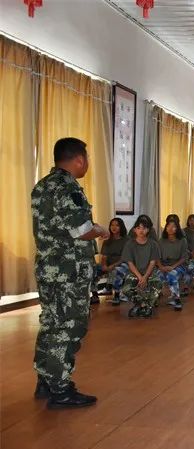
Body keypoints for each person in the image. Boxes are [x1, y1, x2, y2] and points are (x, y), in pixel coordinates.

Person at [32, 137, 109, 409]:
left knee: (51, 323)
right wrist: (100, 230)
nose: (87, 164)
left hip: (48, 268)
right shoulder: (67, 187)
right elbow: (81, 230)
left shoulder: (42, 186)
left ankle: (46, 380)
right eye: (86, 159)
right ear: (79, 159)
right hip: (68, 272)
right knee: (68, 326)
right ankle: (61, 390)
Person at [121, 217, 162, 319]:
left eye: (144, 228)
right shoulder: (130, 244)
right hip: (135, 273)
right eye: (138, 228)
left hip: (149, 273)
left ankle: (146, 306)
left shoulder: (153, 244)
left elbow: (153, 262)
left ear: (148, 230)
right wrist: (140, 277)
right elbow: (130, 263)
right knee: (126, 289)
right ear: (134, 230)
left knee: (158, 284)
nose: (141, 230)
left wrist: (145, 277)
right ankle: (142, 305)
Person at [157, 219, 191, 311]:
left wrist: (172, 267)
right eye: (168, 226)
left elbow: (184, 258)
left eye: (173, 226)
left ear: (177, 228)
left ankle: (177, 299)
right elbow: (156, 257)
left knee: (172, 274)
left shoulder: (182, 240)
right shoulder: (161, 241)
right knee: (156, 276)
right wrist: (161, 267)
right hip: (164, 265)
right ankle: (153, 297)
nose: (170, 228)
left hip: (178, 265)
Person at [96, 218, 130, 306]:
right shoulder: (107, 240)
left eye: (117, 225)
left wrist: (112, 266)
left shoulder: (127, 240)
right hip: (109, 264)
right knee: (92, 269)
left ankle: (116, 295)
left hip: (122, 264)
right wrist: (104, 265)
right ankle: (95, 296)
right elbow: (104, 256)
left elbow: (124, 258)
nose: (114, 227)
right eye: (112, 225)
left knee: (115, 270)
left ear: (121, 227)